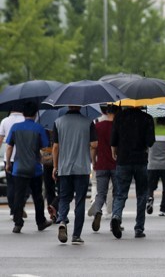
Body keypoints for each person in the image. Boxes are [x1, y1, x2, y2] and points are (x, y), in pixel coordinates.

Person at [53, 106, 97, 245]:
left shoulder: (58, 122)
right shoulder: (88, 122)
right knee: (79, 202)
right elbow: (94, 144)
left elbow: (55, 146)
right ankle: (76, 235)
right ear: (80, 106)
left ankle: (62, 221)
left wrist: (55, 167)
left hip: (64, 168)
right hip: (82, 168)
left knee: (64, 198)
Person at [5, 101, 52, 233]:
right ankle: (41, 222)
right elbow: (44, 147)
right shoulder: (39, 128)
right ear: (36, 113)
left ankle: (18, 223)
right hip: (35, 168)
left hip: (18, 168)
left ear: (23, 113)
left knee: (18, 196)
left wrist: (8, 163)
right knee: (37, 196)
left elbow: (9, 147)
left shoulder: (15, 127)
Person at [110, 106, 155, 239]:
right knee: (141, 195)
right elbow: (150, 142)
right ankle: (139, 228)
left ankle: (116, 216)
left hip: (123, 160)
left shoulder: (119, 117)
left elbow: (113, 139)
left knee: (120, 194)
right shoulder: (147, 118)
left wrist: (114, 151)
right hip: (140, 160)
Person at [89, 105, 120, 232]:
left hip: (101, 164)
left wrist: (94, 161)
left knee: (101, 193)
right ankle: (115, 219)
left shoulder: (97, 127)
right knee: (117, 194)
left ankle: (97, 211)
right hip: (116, 165)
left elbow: (93, 147)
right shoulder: (117, 127)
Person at [0, 103, 25, 218]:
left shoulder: (4, 121)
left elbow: (1, 140)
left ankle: (13, 210)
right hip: (23, 158)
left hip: (8, 158)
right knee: (22, 185)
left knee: (11, 184)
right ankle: (19, 207)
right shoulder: (25, 119)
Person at [146, 116, 165, 217]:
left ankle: (149, 197)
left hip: (152, 165)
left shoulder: (150, 132)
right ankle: (163, 209)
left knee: (150, 186)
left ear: (156, 121)